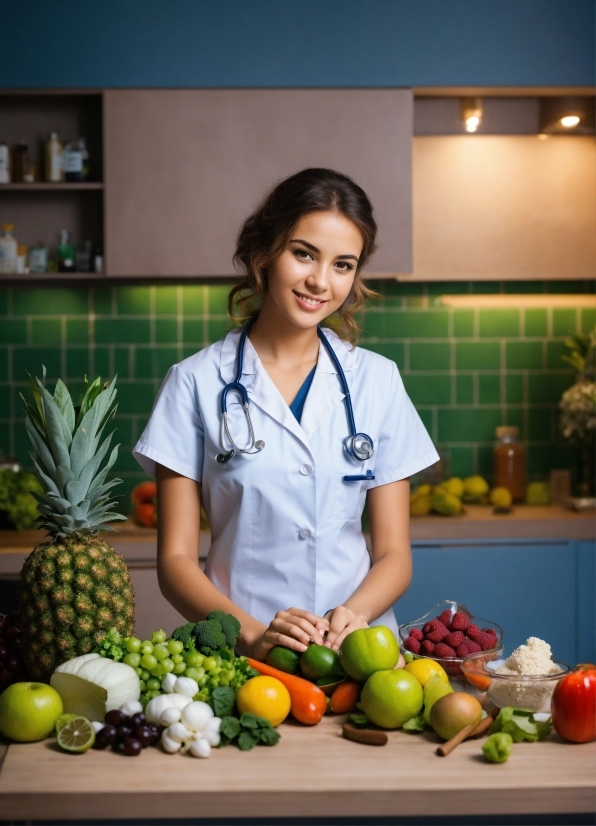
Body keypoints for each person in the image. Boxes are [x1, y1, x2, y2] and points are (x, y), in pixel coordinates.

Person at [133, 168, 439, 661]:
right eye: (304, 254)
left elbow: (393, 556)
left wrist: (354, 615)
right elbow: (174, 563)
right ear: (265, 252)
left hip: (360, 657)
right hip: (243, 660)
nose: (320, 281)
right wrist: (252, 635)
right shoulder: (193, 382)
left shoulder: (377, 381)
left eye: (343, 265)